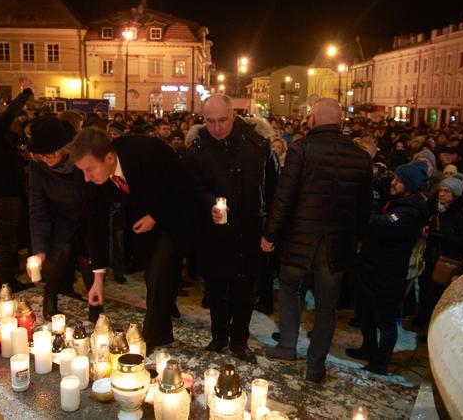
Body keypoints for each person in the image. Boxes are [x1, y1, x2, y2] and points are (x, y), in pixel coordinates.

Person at [261, 98, 373, 382]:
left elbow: (283, 198)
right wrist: (358, 239)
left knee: (289, 290)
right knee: (326, 307)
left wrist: (270, 234)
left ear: (313, 119)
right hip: (336, 245)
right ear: (339, 121)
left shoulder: (301, 149)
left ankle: (287, 345)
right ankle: (315, 365)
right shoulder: (360, 156)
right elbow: (364, 207)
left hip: (300, 239)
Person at [71, 126, 194, 352]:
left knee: (160, 267)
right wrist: (98, 278)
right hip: (142, 222)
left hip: (175, 214)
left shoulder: (147, 151)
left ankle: (150, 337)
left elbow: (183, 186)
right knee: (152, 274)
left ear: (109, 157)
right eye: (82, 171)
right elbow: (96, 223)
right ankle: (164, 321)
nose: (86, 178)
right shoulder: (90, 179)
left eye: (89, 169)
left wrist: (156, 215)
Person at [186, 94, 278, 363]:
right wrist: (208, 204)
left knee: (244, 290)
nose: (216, 127)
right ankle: (218, 336)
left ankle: (240, 341)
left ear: (234, 115)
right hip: (213, 232)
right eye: (210, 121)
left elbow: (273, 188)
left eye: (222, 120)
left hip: (249, 229)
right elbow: (192, 187)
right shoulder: (198, 147)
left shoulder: (257, 143)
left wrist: (270, 230)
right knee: (215, 288)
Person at [347, 161, 429, 375]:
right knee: (365, 311)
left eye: (399, 180)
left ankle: (381, 362)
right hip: (371, 265)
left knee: (385, 320)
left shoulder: (411, 211)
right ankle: (368, 348)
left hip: (388, 272)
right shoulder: (396, 200)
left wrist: (372, 205)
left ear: (409, 185)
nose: (393, 183)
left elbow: (378, 225)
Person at [26, 116, 109, 322]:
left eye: (51, 152)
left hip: (89, 215)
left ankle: (96, 306)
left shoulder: (81, 159)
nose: (46, 158)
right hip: (60, 218)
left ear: (65, 146)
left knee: (89, 259)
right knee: (56, 256)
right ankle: (50, 297)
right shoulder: (37, 168)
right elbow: (38, 209)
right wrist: (39, 251)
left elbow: (97, 197)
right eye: (41, 154)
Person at [0, 82, 34, 293]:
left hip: (8, 192)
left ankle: (9, 279)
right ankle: (6, 283)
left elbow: (9, 154)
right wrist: (25, 94)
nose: (5, 106)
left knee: (9, 240)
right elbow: (8, 115)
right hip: (2, 195)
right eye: (1, 104)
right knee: (4, 242)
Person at [417, 173, 463, 341]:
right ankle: (422, 319)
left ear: (455, 195)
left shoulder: (460, 214)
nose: (442, 194)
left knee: (436, 296)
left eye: (447, 191)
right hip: (431, 258)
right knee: (425, 290)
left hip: (446, 262)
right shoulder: (434, 209)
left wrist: (439, 236)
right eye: (441, 190)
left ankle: (430, 328)